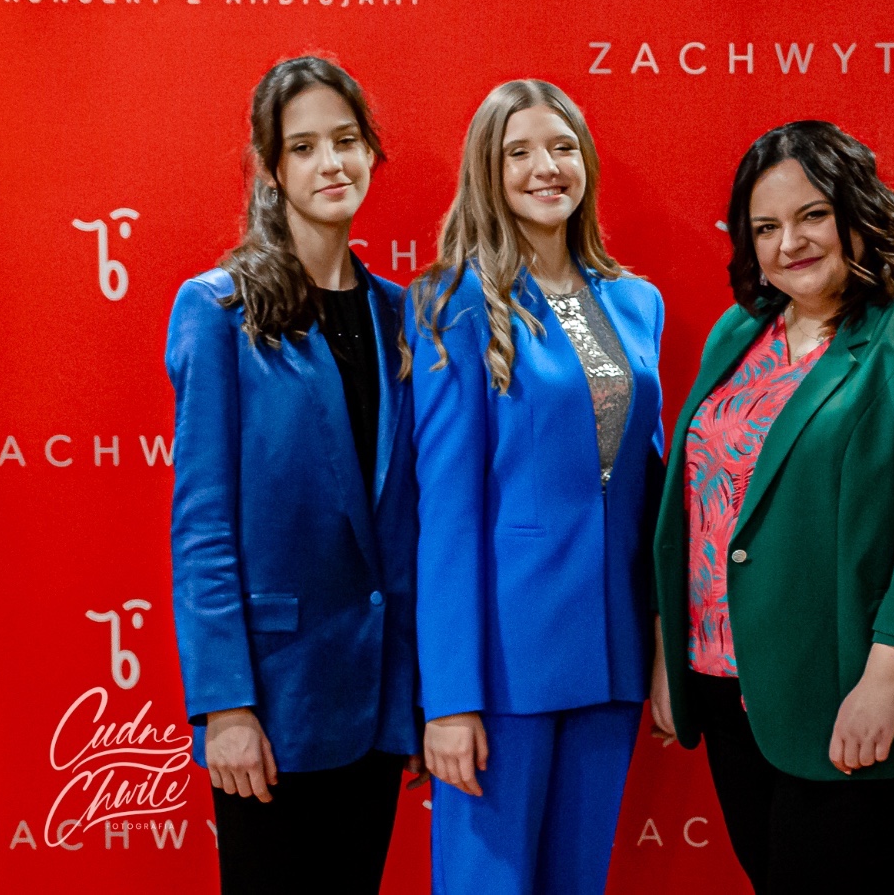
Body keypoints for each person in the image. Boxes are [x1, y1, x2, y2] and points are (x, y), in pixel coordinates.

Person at [648, 120, 894, 895]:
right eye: (765, 227)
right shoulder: (740, 331)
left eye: (812, 214)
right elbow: (700, 508)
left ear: (858, 210)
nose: (790, 243)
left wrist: (883, 684)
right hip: (731, 684)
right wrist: (672, 659)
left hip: (859, 689)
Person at [166, 56, 422, 895]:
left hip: (377, 698)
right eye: (304, 147)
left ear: (371, 152)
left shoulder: (402, 314)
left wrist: (417, 693)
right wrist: (226, 706)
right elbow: (203, 527)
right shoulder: (219, 310)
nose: (331, 163)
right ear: (273, 170)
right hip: (272, 704)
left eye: (346, 141)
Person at [406, 79, 665, 895]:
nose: (545, 167)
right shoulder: (453, 301)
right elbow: (446, 514)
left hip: (613, 652)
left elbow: (651, 488)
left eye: (561, 147)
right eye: (518, 152)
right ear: (488, 171)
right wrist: (450, 697)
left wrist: (664, 646)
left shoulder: (636, 301)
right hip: (503, 667)